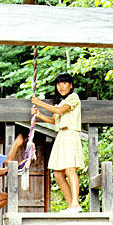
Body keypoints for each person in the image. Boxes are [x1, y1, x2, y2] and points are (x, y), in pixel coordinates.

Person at [31, 72, 84, 213]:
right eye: (59, 83)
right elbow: (54, 120)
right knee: (58, 174)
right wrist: (39, 114)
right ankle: (71, 205)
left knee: (70, 169)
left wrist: (39, 102)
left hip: (70, 134)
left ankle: (75, 203)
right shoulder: (60, 101)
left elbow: (60, 110)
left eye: (65, 83)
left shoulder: (73, 97)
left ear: (71, 85)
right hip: (61, 136)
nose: (61, 86)